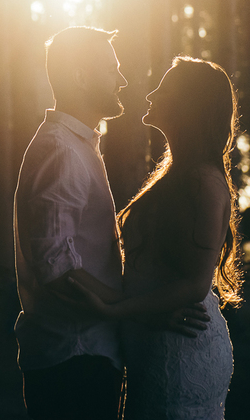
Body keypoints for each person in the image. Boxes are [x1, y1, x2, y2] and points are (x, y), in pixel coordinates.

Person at [14, 28, 208, 420]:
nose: (122, 80)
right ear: (80, 77)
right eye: (110, 70)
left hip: (85, 356)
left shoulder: (77, 146)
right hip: (73, 359)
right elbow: (56, 267)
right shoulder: (61, 151)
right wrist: (139, 309)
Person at [70, 56, 243, 420]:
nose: (150, 94)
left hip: (181, 347)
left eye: (164, 89)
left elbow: (196, 285)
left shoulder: (204, 182)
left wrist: (115, 310)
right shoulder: (176, 175)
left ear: (187, 104)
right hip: (154, 338)